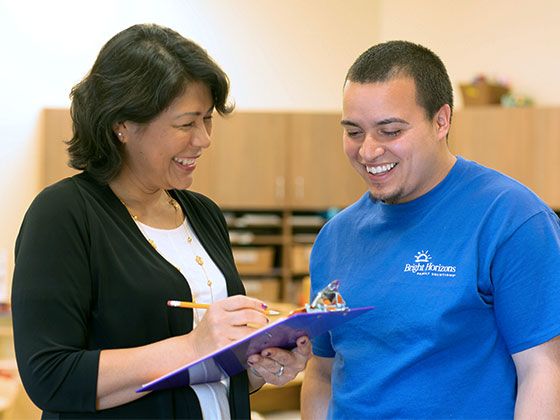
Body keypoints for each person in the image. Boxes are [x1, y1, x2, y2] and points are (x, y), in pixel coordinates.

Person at [11, 23, 310, 419]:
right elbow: (51, 376)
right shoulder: (64, 214)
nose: (203, 139)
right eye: (186, 123)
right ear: (123, 124)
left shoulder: (202, 214)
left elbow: (207, 376)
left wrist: (256, 367)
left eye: (207, 120)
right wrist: (193, 346)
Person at [301, 40, 560, 419]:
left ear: (441, 121)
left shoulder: (512, 219)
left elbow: (543, 370)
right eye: (354, 132)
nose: (368, 151)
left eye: (389, 132)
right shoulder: (335, 238)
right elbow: (322, 371)